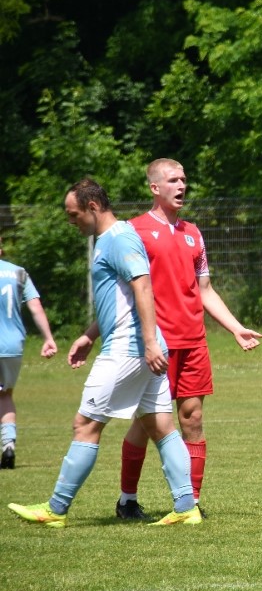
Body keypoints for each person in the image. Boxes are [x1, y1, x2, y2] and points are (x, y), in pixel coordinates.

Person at [7, 178, 199, 528]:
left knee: (85, 424)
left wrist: (150, 343)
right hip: (141, 348)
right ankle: (186, 507)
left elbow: (142, 286)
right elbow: (121, 298)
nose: (72, 222)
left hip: (129, 351)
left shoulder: (119, 238)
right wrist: (90, 334)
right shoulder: (113, 239)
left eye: (74, 214)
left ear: (93, 207)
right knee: (161, 427)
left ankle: (56, 509)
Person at [114, 159, 262, 520]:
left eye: (184, 179)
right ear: (154, 188)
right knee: (147, 421)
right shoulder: (133, 232)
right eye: (172, 180)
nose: (181, 185)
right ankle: (127, 499)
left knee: (192, 418)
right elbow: (124, 292)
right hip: (155, 343)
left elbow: (205, 290)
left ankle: (190, 503)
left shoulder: (193, 233)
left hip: (193, 341)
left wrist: (235, 327)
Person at [0, 238, 58, 469]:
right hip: (13, 345)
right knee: (5, 395)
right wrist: (48, 338)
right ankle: (8, 445)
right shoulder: (18, 272)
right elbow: (36, 307)